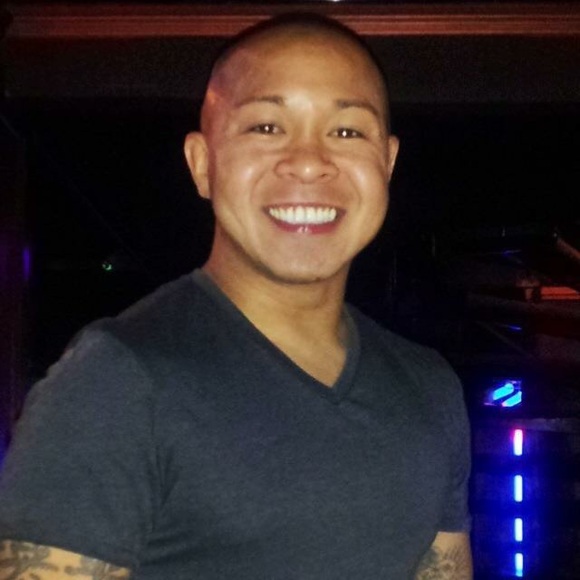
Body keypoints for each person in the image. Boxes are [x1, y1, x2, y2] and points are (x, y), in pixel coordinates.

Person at [0, 14, 472, 579]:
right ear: (203, 165)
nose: (308, 161)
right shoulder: (116, 379)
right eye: (266, 127)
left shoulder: (429, 387)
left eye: (347, 132)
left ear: (387, 164)